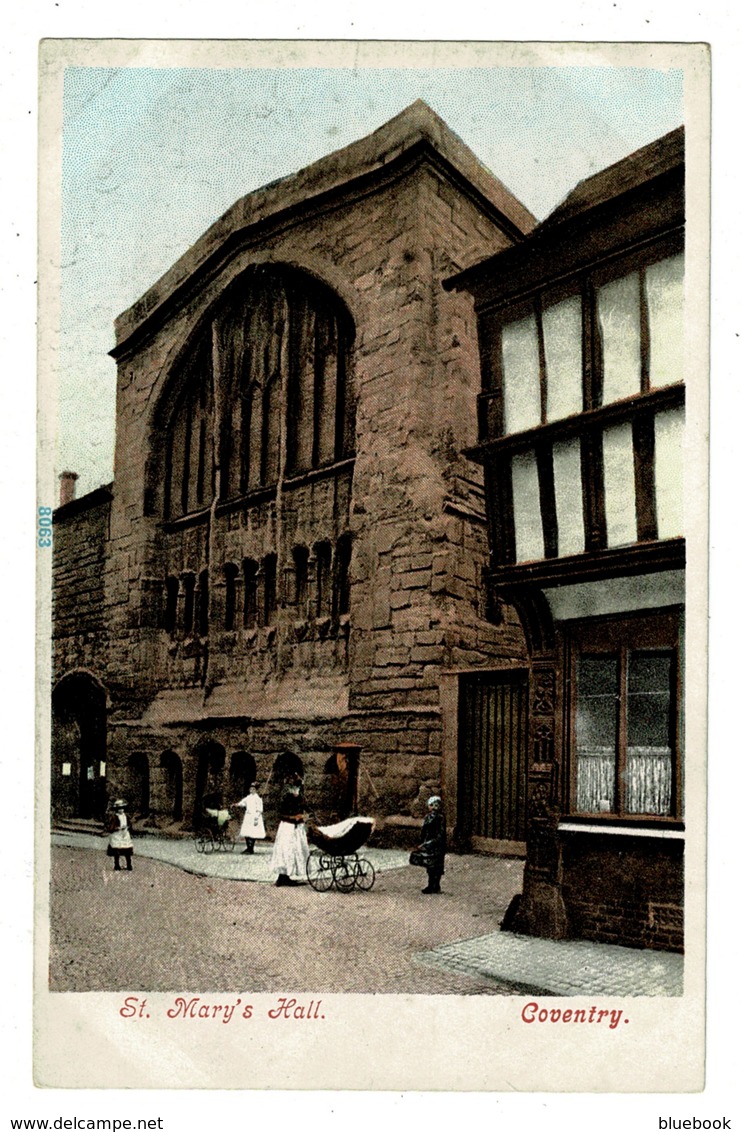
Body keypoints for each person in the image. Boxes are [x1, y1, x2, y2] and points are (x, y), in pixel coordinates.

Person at [270, 771, 309, 886]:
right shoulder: (286, 799)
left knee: (296, 850)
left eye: (298, 787)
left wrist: (304, 816)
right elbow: (281, 814)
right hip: (287, 827)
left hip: (296, 829)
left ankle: (286, 876)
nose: (296, 790)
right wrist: (293, 817)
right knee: (286, 850)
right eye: (295, 787)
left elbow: (306, 810)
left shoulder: (300, 798)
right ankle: (282, 877)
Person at [414, 795, 446, 894]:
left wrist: (430, 843)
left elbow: (441, 834)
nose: (434, 808)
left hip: (437, 845)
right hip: (428, 844)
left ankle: (436, 885)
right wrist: (422, 842)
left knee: (437, 866)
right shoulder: (427, 817)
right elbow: (424, 831)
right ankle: (430, 884)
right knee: (430, 865)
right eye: (432, 805)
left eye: (436, 805)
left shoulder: (440, 818)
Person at [236, 783, 266, 854]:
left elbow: (260, 809)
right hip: (248, 816)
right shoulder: (248, 797)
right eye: (251, 789)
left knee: (253, 833)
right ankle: (248, 848)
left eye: (253, 789)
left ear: (256, 790)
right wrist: (237, 804)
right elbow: (243, 803)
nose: (251, 790)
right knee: (247, 832)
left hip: (254, 816)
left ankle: (251, 848)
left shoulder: (258, 798)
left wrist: (256, 817)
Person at [106, 799, 134, 871]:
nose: (121, 810)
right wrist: (117, 828)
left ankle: (129, 865)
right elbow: (111, 826)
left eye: (122, 809)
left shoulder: (126, 816)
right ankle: (117, 865)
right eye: (119, 809)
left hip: (124, 833)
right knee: (117, 850)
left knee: (127, 849)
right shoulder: (114, 817)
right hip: (117, 834)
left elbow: (129, 824)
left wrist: (127, 827)